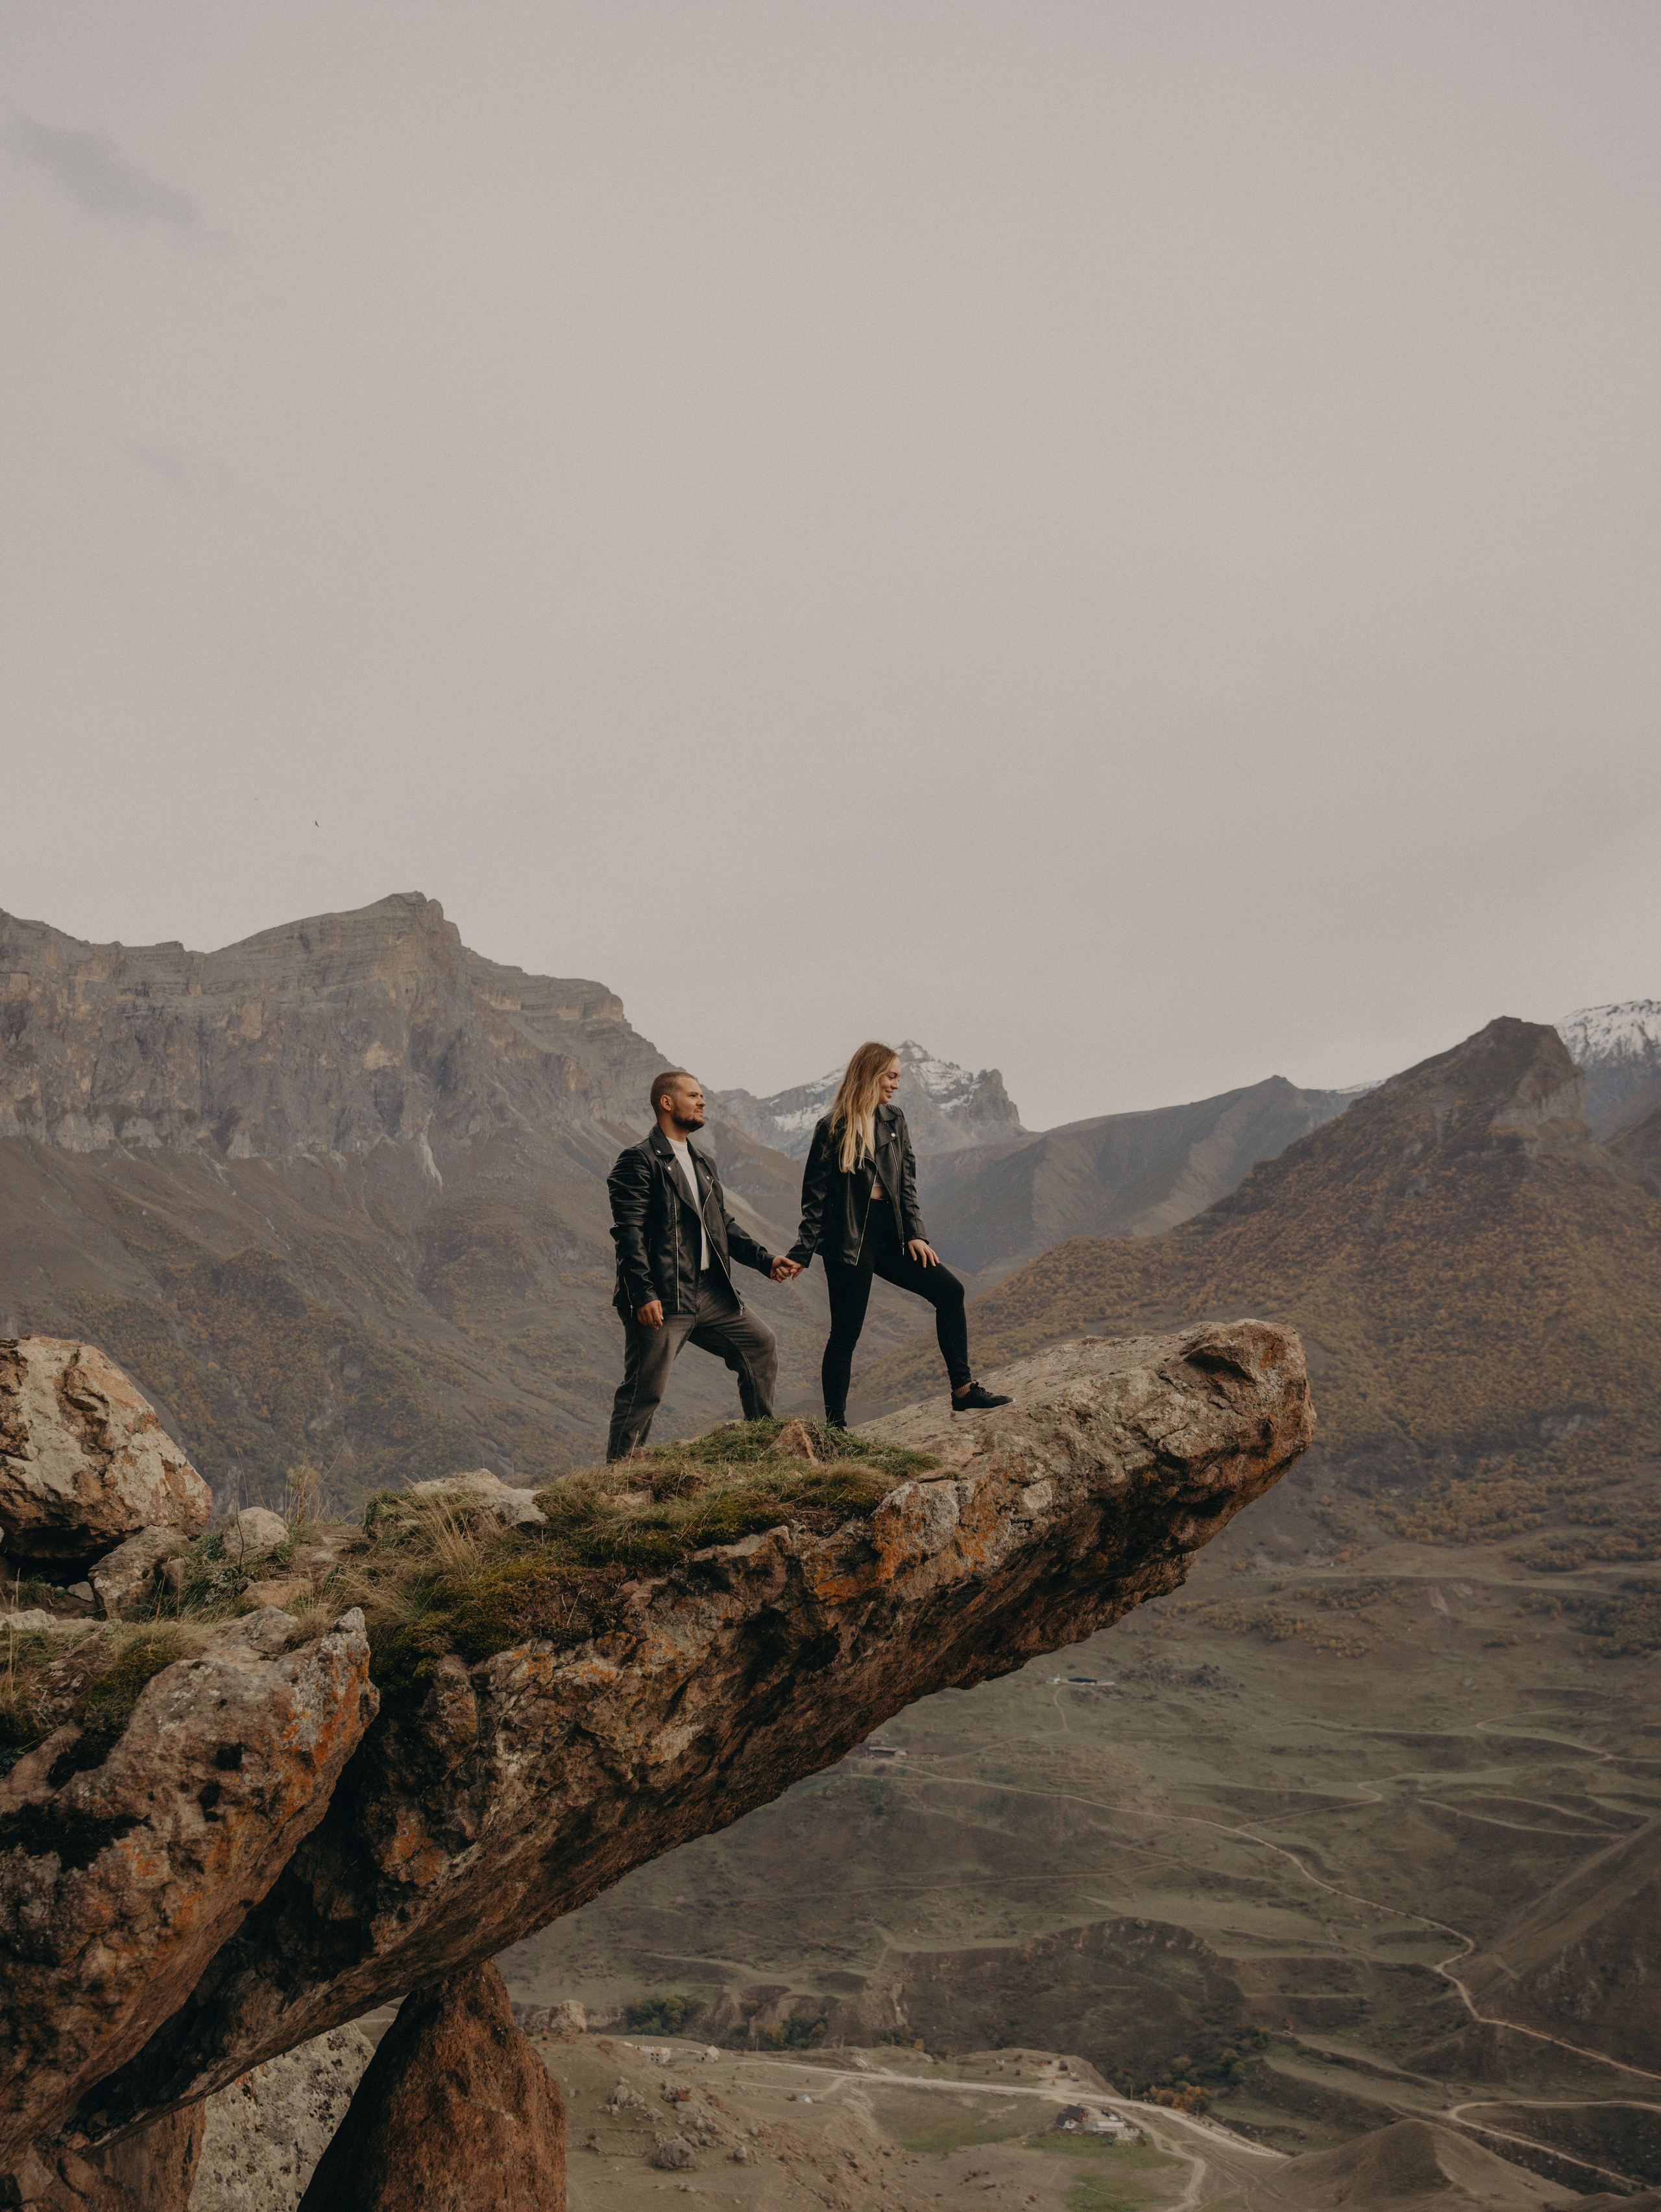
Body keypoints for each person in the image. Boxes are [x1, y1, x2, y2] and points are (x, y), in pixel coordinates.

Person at [788, 1041, 1012, 1426]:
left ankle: (963, 1391)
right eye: (891, 1076)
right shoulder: (832, 1127)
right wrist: (802, 1252)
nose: (895, 1085)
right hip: (848, 1242)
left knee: (950, 1291)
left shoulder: (896, 1120)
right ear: (870, 1074)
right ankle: (835, 1427)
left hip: (891, 1235)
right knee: (845, 1335)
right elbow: (816, 1199)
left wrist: (916, 1234)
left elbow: (906, 1183)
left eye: (898, 1078)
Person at [605, 1070, 801, 1461]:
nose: (702, 1102)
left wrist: (766, 1260)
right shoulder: (638, 1160)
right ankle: (618, 1479)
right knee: (645, 1391)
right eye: (694, 1095)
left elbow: (722, 1226)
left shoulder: (702, 1161)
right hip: (663, 1296)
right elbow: (629, 1234)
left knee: (760, 1346)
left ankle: (765, 1450)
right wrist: (643, 1294)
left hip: (712, 1292)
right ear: (667, 1102)